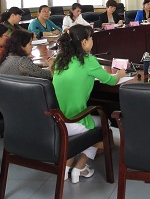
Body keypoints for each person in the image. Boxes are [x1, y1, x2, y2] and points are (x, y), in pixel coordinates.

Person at [52, 24, 123, 183]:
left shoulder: (60, 60)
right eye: (91, 38)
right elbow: (111, 81)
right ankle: (80, 167)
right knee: (104, 123)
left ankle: (67, 166)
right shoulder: (88, 60)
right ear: (84, 42)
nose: (92, 41)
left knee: (91, 120)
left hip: (57, 120)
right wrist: (120, 74)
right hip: (75, 121)